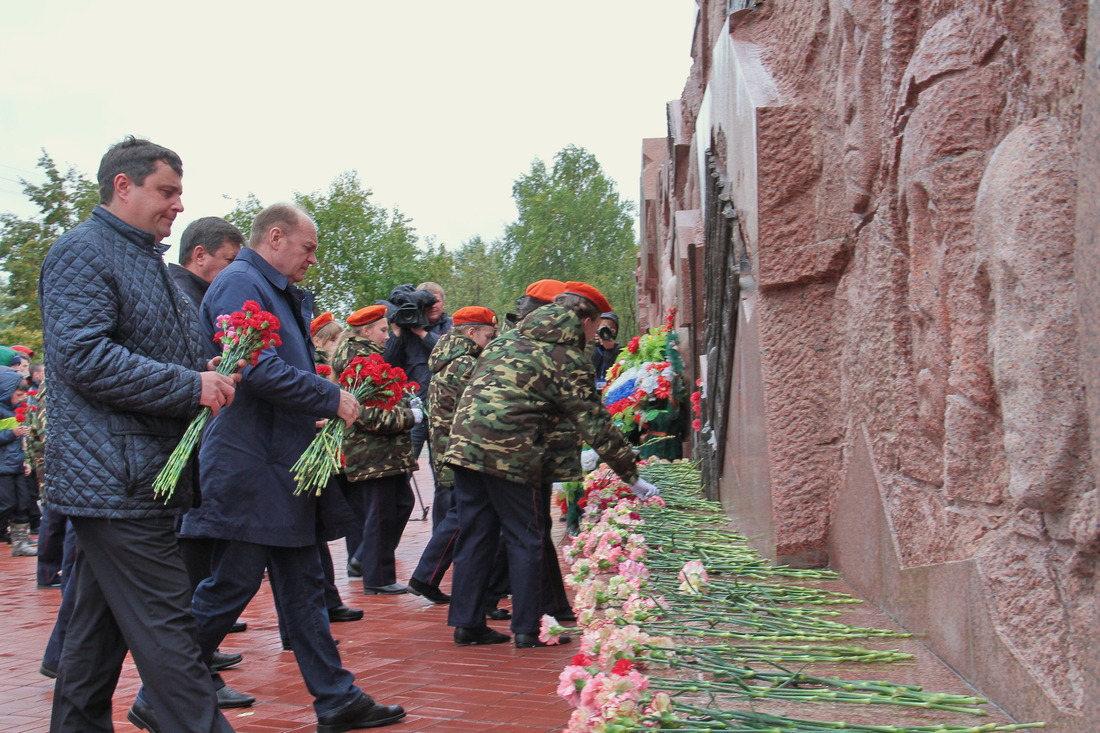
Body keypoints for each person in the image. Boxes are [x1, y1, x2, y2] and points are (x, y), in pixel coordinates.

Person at [181, 203, 406, 731]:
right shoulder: (240, 284)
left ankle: (336, 697)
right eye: (307, 248)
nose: (312, 260)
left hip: (279, 462)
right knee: (231, 585)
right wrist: (331, 396)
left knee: (303, 587)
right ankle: (162, 687)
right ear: (276, 237)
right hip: (252, 461)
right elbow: (254, 368)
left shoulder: (270, 288)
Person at [38, 136, 237, 733]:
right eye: (167, 191)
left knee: (94, 640)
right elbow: (84, 356)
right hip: (116, 476)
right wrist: (190, 386)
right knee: (168, 632)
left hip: (133, 471)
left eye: (179, 193)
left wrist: (215, 372)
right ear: (123, 186)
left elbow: (146, 349)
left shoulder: (140, 256)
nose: (178, 204)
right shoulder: (83, 251)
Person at [443, 282, 659, 648]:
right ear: (586, 320)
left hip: (465, 446)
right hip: (511, 451)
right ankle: (530, 628)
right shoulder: (565, 355)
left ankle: (467, 622)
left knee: (476, 533)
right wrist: (631, 475)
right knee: (526, 535)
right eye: (596, 326)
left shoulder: (507, 340)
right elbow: (592, 420)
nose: (594, 335)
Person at [407, 306, 499, 604]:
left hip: (450, 449)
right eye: (489, 335)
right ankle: (426, 576)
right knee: (461, 517)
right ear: (471, 333)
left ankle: (427, 577)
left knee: (460, 516)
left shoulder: (451, 359)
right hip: (463, 452)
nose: (491, 341)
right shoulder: (465, 364)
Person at [334, 304, 419, 595]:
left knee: (399, 504)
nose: (387, 336)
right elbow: (366, 412)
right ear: (366, 331)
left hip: (383, 450)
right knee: (382, 511)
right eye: (383, 330)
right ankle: (378, 577)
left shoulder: (368, 357)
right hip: (373, 449)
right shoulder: (360, 362)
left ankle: (363, 560)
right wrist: (411, 416)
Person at [383, 281, 450, 526]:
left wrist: (422, 332)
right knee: (401, 471)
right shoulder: (404, 327)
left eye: (436, 301)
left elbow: (447, 352)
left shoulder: (450, 326)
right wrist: (398, 331)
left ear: (444, 303)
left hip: (443, 409)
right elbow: (387, 362)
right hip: (413, 408)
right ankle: (387, 532)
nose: (432, 306)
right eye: (426, 302)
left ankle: (441, 539)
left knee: (443, 476)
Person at [169, 216, 245, 309]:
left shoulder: (177, 294)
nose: (236, 268)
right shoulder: (180, 300)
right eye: (230, 260)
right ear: (200, 255)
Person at [0, 371, 34, 556]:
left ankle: (20, 543)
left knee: (23, 502)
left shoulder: (16, 411)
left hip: (16, 463)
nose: (21, 399)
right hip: (2, 466)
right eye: (18, 395)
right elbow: (12, 436)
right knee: (6, 504)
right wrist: (12, 433)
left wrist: (26, 460)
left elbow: (22, 441)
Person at [591, 312, 621, 390]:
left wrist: (610, 350)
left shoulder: (620, 351)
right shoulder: (593, 349)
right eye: (603, 328)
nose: (606, 331)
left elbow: (613, 374)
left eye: (611, 328)